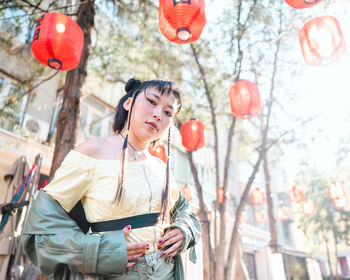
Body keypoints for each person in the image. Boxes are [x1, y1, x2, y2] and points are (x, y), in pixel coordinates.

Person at [21, 78, 201, 280]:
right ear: (128, 103)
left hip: (165, 272)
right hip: (112, 274)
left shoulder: (161, 166)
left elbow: (184, 211)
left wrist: (184, 229)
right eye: (152, 101)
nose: (158, 114)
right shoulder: (91, 152)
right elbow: (43, 221)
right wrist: (99, 250)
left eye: (168, 112)